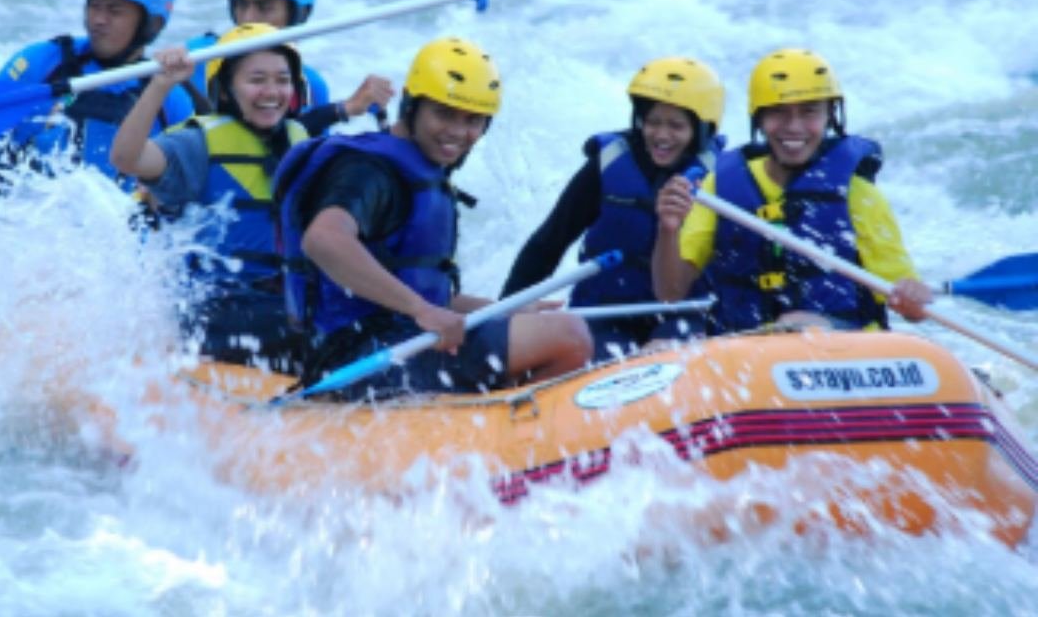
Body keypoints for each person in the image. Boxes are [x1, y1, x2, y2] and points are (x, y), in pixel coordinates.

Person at [276, 36, 592, 401]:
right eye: (443, 113)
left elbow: (424, 294)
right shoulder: (369, 171)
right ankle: (516, 441)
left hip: (398, 344)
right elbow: (323, 240)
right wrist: (421, 310)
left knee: (539, 324)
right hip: (359, 360)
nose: (458, 132)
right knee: (570, 336)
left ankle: (486, 431)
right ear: (411, 106)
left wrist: (503, 310)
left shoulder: (419, 171)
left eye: (473, 120)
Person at [652, 48, 933, 332]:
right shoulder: (719, 186)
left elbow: (914, 312)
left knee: (795, 324)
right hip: (749, 350)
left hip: (844, 347)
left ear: (829, 117)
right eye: (778, 113)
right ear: (759, 120)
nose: (794, 127)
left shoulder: (856, 193)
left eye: (809, 112)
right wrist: (669, 229)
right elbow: (670, 294)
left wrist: (911, 296)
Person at [0, 0, 194, 259]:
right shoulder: (42, 62)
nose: (98, 20)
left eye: (114, 11)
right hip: (20, 231)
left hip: (114, 254)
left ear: (150, 24)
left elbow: (188, 190)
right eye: (94, 6)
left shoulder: (168, 95)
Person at [110, 23, 309, 371]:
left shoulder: (300, 140)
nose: (272, 91)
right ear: (227, 89)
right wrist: (161, 85)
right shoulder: (196, 144)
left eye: (282, 79)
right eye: (257, 79)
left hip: (284, 301)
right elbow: (127, 159)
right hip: (215, 311)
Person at [501, 57, 726, 359]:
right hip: (604, 313)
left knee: (668, 350)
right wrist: (506, 312)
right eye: (653, 121)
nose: (661, 135)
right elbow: (549, 242)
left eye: (676, 125)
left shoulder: (719, 178)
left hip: (681, 315)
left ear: (701, 130)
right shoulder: (606, 166)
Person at [185, 0, 393, 136]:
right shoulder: (195, 58)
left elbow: (298, 152)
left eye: (264, 7)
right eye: (241, 4)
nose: (247, 18)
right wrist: (342, 110)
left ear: (299, 13)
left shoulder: (311, 84)